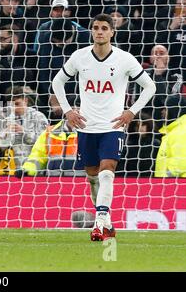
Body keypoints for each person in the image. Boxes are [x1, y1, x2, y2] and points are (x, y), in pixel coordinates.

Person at [52, 13, 156, 241]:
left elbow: (150, 86)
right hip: (87, 126)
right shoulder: (80, 57)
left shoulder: (124, 59)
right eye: (96, 28)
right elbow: (57, 81)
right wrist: (68, 110)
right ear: (92, 31)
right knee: (92, 177)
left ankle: (98, 223)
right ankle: (107, 223)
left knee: (107, 171)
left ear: (112, 32)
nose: (99, 31)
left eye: (104, 28)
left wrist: (131, 112)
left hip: (113, 126)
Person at [154, 94, 186, 177]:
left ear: (174, 110)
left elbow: (181, 161)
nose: (162, 111)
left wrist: (166, 177)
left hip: (174, 185)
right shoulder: (175, 130)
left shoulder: (181, 131)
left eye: (165, 109)